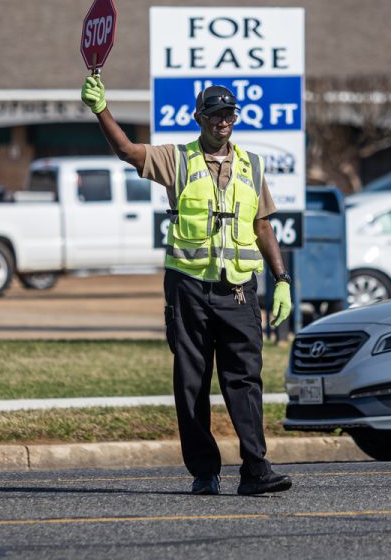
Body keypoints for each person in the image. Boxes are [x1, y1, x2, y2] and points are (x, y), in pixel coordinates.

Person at [81, 76, 294, 496]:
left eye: (228, 114)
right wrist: (101, 109)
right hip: (189, 290)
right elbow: (126, 151)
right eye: (214, 114)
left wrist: (282, 278)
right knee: (192, 381)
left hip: (238, 291)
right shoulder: (177, 159)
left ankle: (256, 470)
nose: (222, 121)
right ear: (199, 118)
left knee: (245, 380)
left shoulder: (252, 165)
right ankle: (204, 472)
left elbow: (262, 224)